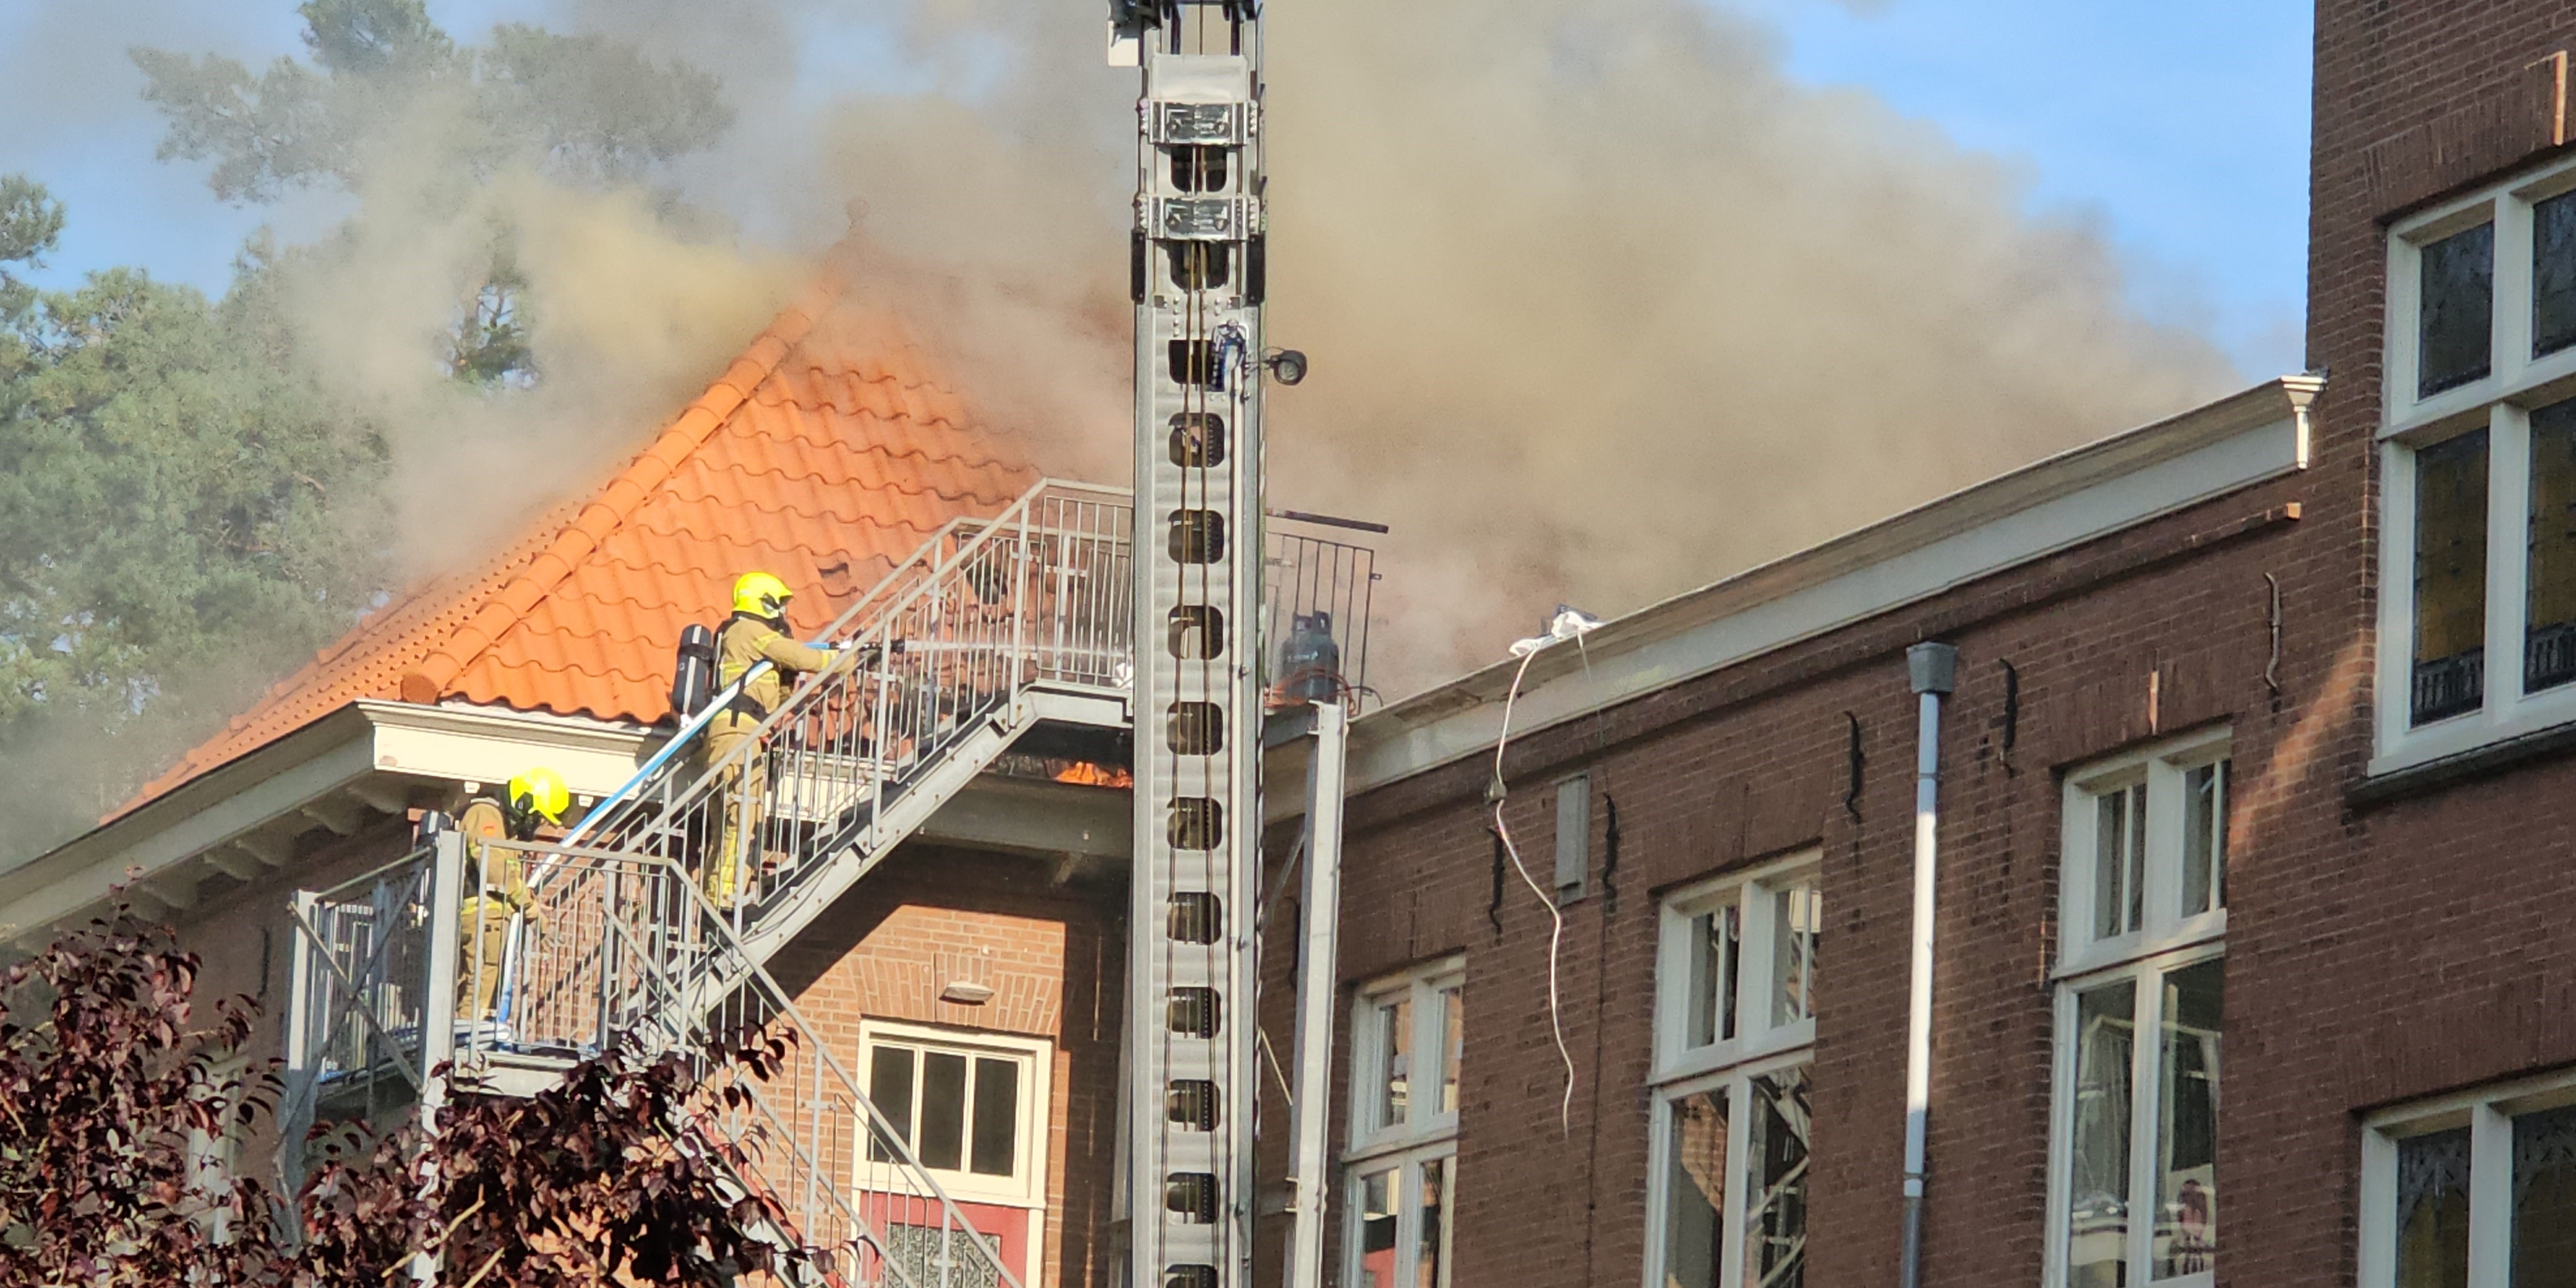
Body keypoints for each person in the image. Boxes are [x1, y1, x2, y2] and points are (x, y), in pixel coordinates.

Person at [701, 571, 839, 911]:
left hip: (732, 734)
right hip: (738, 735)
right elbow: (801, 656)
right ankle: (726, 897)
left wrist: (786, 680)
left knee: (731, 822)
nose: (782, 613)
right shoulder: (750, 630)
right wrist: (844, 659)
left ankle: (716, 896)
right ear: (761, 601)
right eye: (777, 605)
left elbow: (777, 693)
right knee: (744, 812)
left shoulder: (737, 636)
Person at [452, 767, 567, 1020]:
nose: (537, 824)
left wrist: (536, 913)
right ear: (524, 802)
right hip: (484, 916)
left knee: (487, 982)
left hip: (493, 918)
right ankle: (465, 1037)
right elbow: (495, 869)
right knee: (481, 980)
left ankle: (475, 1031)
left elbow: (508, 880)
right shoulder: (486, 814)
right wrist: (530, 908)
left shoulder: (503, 826)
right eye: (538, 816)